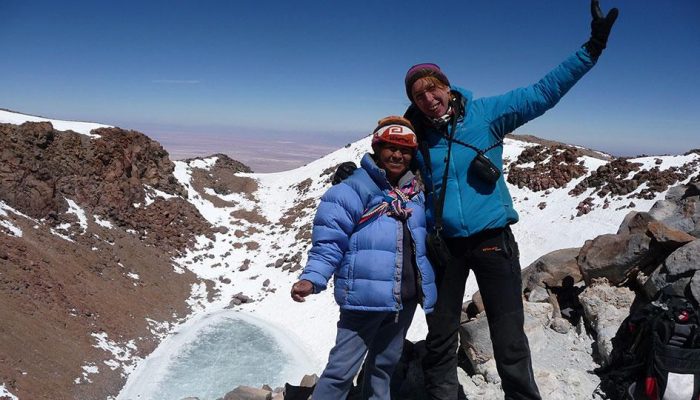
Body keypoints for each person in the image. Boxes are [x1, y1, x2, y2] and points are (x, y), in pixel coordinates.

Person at [332, 2, 619, 399]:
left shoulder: (487, 115)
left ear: (447, 87)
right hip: (445, 246)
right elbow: (393, 170)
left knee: (508, 335)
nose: (428, 97)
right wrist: (358, 176)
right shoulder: (418, 137)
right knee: (441, 332)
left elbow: (543, 93)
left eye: (433, 87)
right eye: (419, 94)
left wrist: (592, 49)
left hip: (492, 241)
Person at [291, 116, 437, 400]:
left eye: (405, 149)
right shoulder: (349, 190)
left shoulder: (414, 194)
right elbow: (330, 240)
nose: (397, 154)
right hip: (363, 299)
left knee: (383, 367)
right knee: (340, 372)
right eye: (390, 147)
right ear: (377, 147)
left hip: (402, 300)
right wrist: (312, 278)